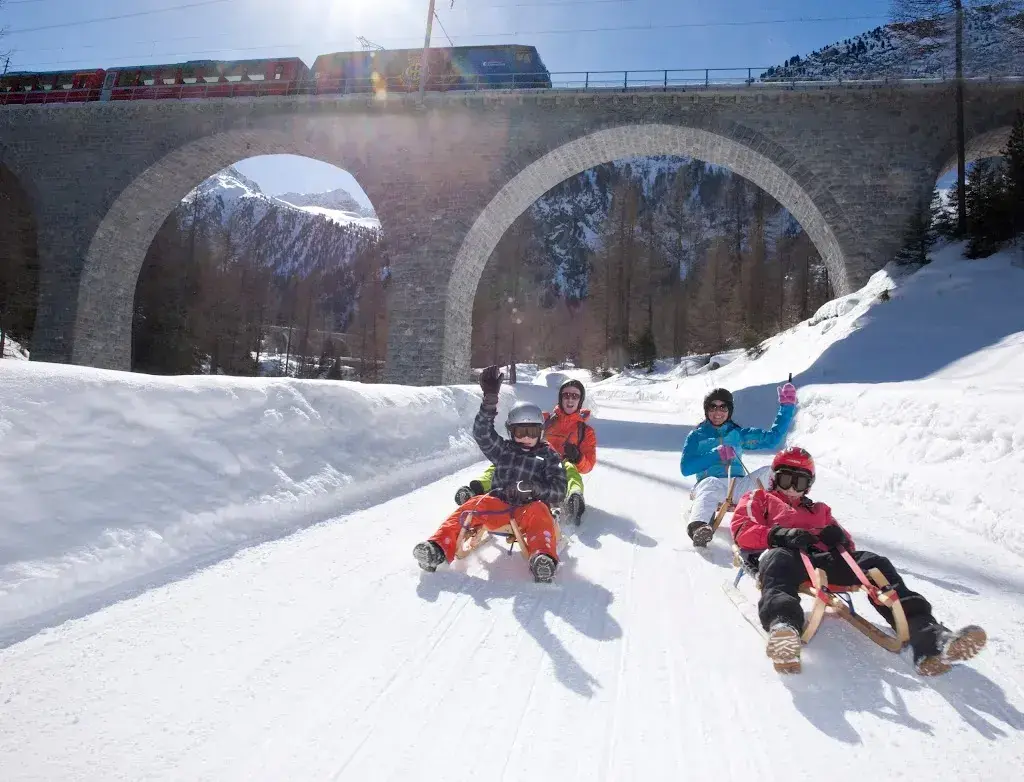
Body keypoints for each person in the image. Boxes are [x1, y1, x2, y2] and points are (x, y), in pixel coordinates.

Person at [729, 446, 987, 676]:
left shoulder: (819, 510)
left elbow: (848, 546)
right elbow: (741, 530)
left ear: (808, 485)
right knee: (778, 560)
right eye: (786, 480)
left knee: (874, 563)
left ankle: (930, 639)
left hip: (823, 560)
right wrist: (778, 535)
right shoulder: (759, 498)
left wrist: (838, 537)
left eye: (800, 483)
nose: (792, 489)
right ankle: (784, 627)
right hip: (785, 557)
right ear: (775, 478)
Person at [414, 365, 568, 583]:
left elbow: (559, 490)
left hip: (528, 511)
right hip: (498, 506)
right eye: (520, 431)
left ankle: (542, 559)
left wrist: (535, 489)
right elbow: (482, 434)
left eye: (532, 431)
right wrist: (489, 401)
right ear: (511, 432)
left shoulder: (549, 456)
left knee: (541, 512)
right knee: (472, 505)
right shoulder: (504, 450)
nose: (526, 437)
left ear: (540, 432)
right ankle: (437, 548)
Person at [453, 378, 596, 524]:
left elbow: (588, 465)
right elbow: (520, 422)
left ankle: (574, 497)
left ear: (580, 400)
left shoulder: (585, 431)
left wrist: (578, 457)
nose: (570, 399)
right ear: (560, 398)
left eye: (575, 396)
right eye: (566, 395)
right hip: (532, 459)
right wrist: (490, 402)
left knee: (570, 469)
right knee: (502, 465)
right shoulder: (545, 418)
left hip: (557, 463)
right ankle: (477, 488)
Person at [681, 384, 797, 547]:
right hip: (710, 486)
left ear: (729, 410)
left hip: (738, 486)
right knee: (710, 484)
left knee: (769, 471)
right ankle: (699, 527)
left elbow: (773, 439)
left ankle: (787, 515)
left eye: (723, 407)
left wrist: (787, 407)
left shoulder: (738, 434)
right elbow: (686, 468)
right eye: (713, 407)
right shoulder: (696, 436)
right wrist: (716, 454)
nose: (718, 412)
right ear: (706, 410)